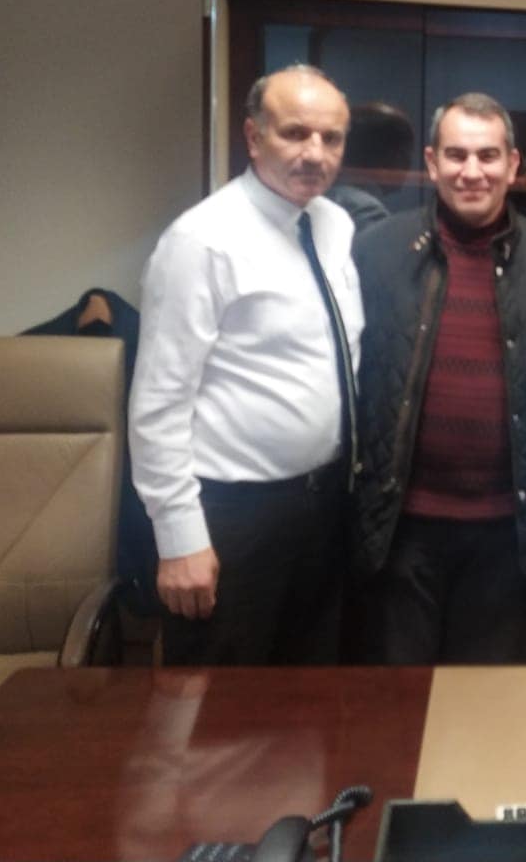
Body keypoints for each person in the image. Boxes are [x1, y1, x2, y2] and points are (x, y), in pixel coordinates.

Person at [130, 65, 359, 665]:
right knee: (219, 707)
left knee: (307, 696)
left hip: (323, 509)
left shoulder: (334, 226)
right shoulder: (202, 240)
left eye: (331, 138)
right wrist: (179, 536)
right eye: (295, 133)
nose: (315, 153)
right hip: (232, 517)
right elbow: (158, 403)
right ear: (254, 137)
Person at [350, 92, 526, 663]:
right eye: (456, 155)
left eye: (487, 155)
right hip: (400, 530)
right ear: (432, 163)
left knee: (482, 697)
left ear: (513, 164)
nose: (471, 171)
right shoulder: (375, 251)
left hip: (508, 532)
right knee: (400, 695)